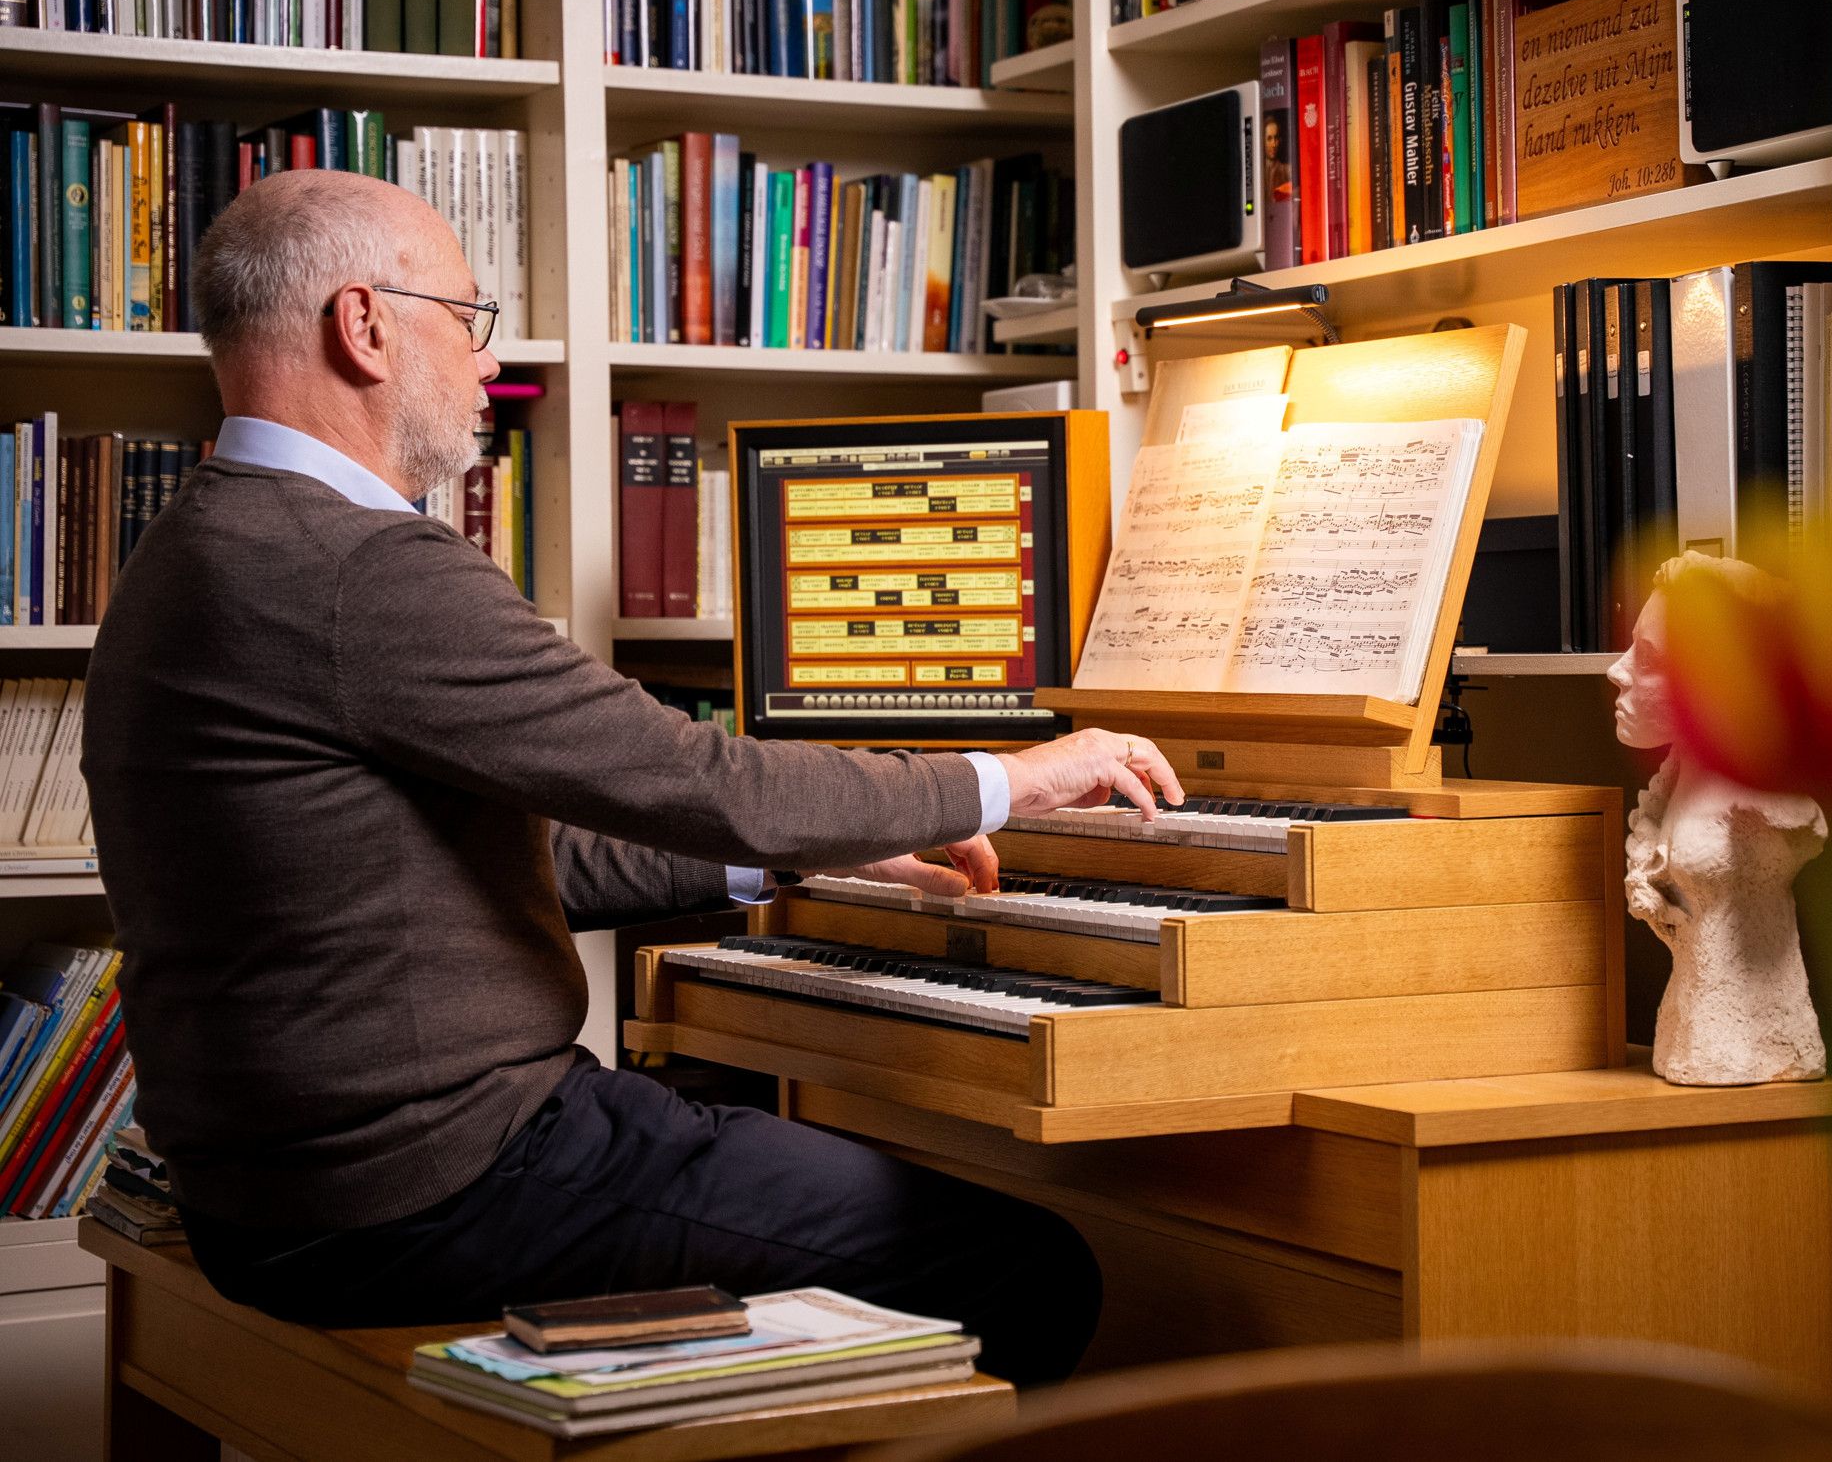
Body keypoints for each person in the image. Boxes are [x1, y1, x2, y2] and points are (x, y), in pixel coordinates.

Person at [81, 170, 1194, 1381]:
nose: (485, 369)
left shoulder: (191, 547)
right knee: (1027, 1265)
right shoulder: (358, 566)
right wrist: (1015, 775)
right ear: (364, 324)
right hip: (430, 1186)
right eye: (467, 320)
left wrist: (798, 848)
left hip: (272, 1187)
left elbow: (480, 856)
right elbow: (702, 773)